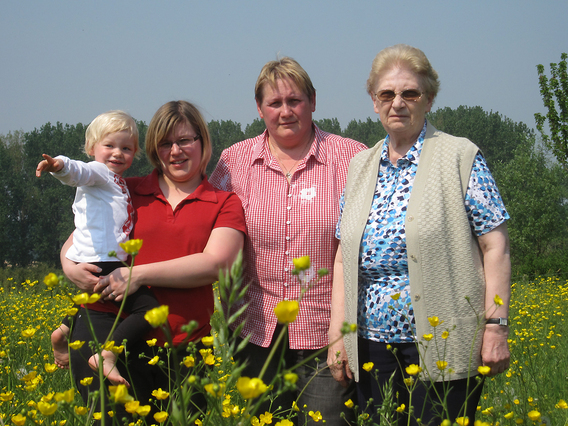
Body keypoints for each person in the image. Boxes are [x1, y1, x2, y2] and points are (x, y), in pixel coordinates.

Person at [327, 44, 511, 425]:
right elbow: (344, 258)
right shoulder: (359, 166)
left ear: (428, 99)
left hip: (442, 343)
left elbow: (496, 246)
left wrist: (495, 326)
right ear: (374, 101)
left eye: (410, 93)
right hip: (370, 345)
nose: (398, 103)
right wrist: (338, 336)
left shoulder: (460, 157)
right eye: (387, 94)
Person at [60, 101, 246, 414]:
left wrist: (138, 275)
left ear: (203, 142)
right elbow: (81, 236)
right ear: (152, 149)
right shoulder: (124, 190)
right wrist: (68, 264)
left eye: (185, 140)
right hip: (113, 347)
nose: (175, 151)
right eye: (164, 143)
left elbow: (217, 264)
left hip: (185, 350)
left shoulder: (224, 202)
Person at [210, 57, 367, 425]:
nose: (285, 112)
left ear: (313, 101)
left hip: (326, 335)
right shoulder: (235, 161)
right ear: (259, 109)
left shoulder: (351, 157)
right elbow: (204, 223)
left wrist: (344, 334)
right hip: (254, 334)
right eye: (274, 103)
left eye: (294, 101)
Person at [36, 110, 159, 386]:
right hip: (106, 261)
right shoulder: (100, 174)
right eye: (109, 146)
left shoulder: (117, 183)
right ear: (92, 148)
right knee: (149, 310)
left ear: (135, 152)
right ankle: (106, 355)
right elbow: (79, 171)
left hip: (101, 258)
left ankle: (65, 328)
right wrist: (59, 166)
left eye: (126, 148)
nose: (117, 153)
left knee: (99, 298)